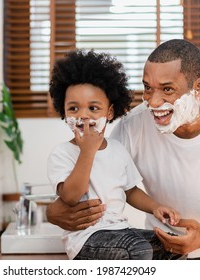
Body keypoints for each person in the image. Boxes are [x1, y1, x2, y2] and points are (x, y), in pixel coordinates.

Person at [46, 39, 200, 260]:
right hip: (164, 248)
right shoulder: (132, 126)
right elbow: (102, 179)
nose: (153, 102)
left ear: (198, 87)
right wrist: (52, 213)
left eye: (167, 89)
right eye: (147, 88)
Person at [47, 49, 184, 260]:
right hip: (87, 239)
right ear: (64, 112)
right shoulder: (62, 153)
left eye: (93, 108)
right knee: (137, 249)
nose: (83, 115)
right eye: (73, 109)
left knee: (169, 245)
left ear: (109, 113)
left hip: (121, 231)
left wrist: (156, 207)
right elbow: (71, 196)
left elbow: (130, 191)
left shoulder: (117, 149)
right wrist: (87, 152)